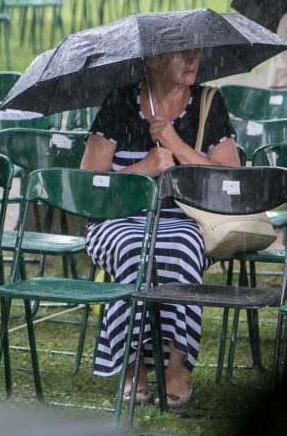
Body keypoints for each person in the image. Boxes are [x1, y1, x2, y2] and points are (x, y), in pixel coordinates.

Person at [79, 49, 240, 407]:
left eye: (195, 51)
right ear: (151, 61)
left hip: (186, 218)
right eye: (180, 53)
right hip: (117, 217)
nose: (192, 59)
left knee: (180, 248)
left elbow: (231, 179)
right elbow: (88, 185)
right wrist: (146, 166)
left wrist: (176, 143)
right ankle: (131, 363)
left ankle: (177, 363)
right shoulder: (120, 101)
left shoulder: (208, 103)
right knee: (135, 249)